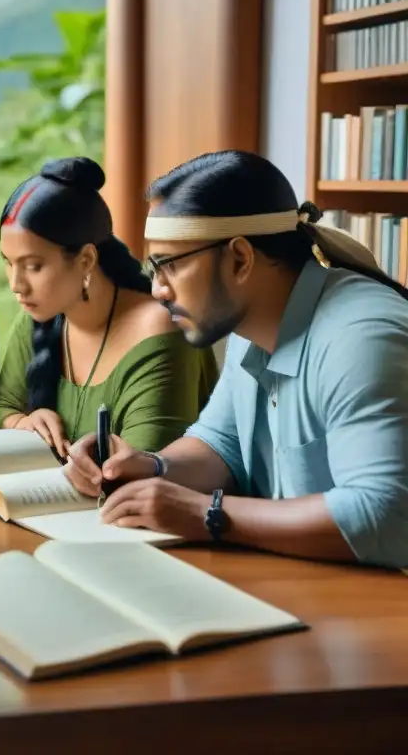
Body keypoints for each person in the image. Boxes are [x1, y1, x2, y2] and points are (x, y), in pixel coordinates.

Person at [67, 150, 408, 570]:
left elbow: (385, 514)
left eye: (168, 265)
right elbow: (221, 445)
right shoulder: (252, 326)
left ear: (241, 259)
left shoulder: (360, 338)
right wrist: (150, 467)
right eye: (152, 269)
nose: (158, 290)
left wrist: (207, 514)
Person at [0, 157, 218, 460]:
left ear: (86, 260)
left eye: (33, 266)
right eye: (8, 262)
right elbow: (1, 408)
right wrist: (24, 422)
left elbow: (146, 467)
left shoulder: (161, 330)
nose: (16, 284)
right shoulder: (39, 314)